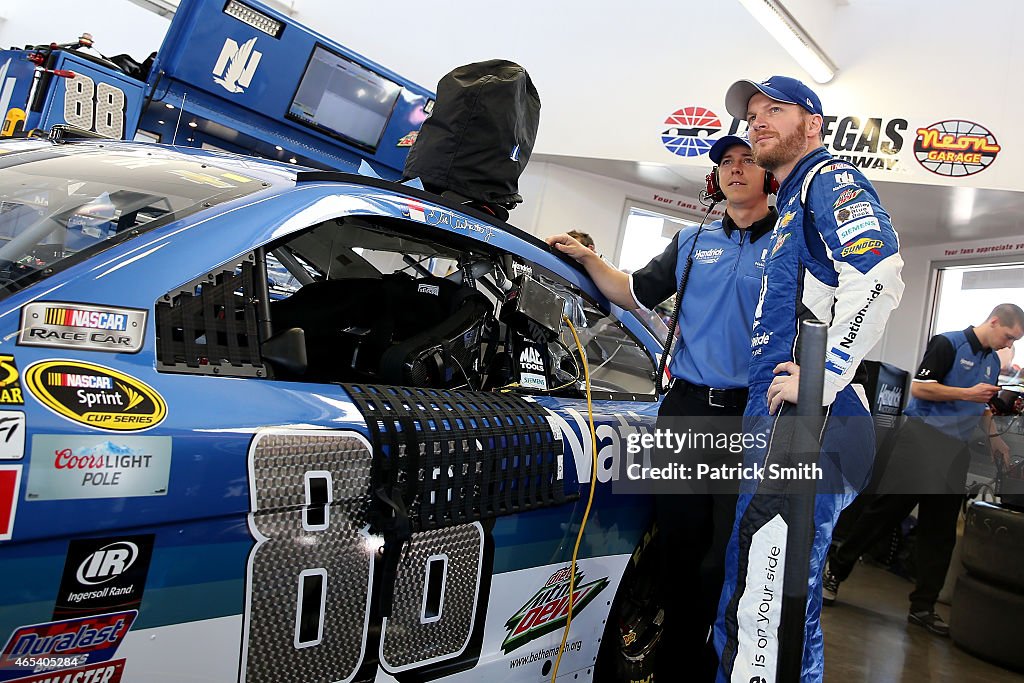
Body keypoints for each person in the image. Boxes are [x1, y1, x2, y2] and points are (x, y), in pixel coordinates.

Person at [547, 134, 776, 679]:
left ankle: (711, 664)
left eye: (748, 161)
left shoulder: (789, 244)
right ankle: (670, 667)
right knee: (676, 548)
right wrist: (587, 257)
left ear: (769, 176)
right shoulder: (693, 242)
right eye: (726, 163)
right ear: (714, 178)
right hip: (686, 410)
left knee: (723, 560)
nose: (735, 170)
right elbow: (633, 293)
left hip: (751, 419)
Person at [713, 76, 905, 683]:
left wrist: (822, 378)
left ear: (813, 123)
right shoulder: (793, 198)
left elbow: (879, 277)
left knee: (762, 606)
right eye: (752, 115)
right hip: (786, 421)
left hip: (810, 423)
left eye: (776, 109)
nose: (759, 121)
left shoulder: (828, 178)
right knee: (770, 596)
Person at [823, 304, 1024, 635]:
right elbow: (920, 388)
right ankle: (836, 569)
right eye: (1008, 336)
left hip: (955, 451)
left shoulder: (990, 362)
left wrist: (996, 442)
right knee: (887, 511)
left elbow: (981, 407)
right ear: (995, 321)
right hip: (922, 438)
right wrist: (967, 392)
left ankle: (923, 606)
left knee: (940, 529)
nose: (1008, 345)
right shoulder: (948, 344)